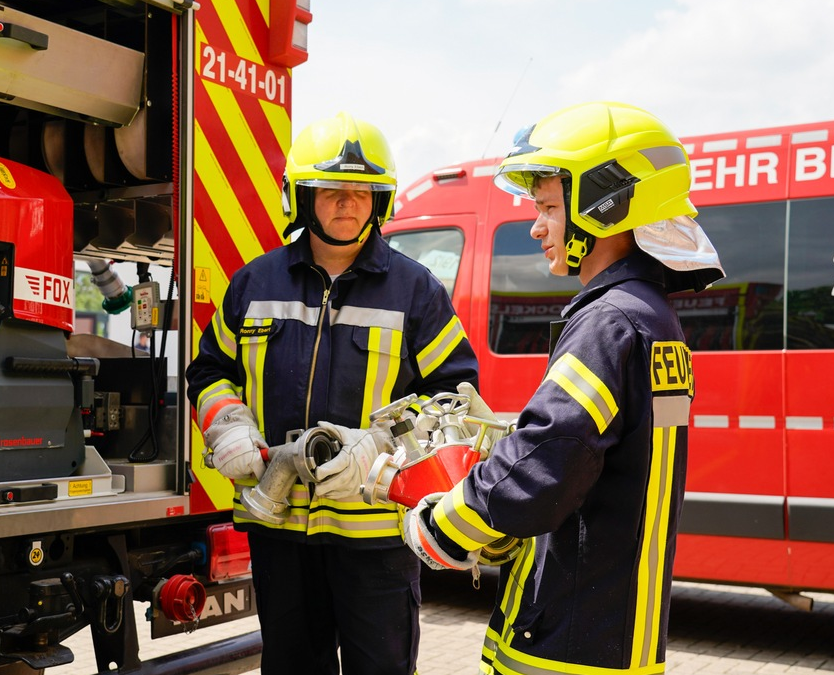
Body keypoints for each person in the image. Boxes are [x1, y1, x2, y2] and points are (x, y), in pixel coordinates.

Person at [402, 101, 725, 674]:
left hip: (570, 643)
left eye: (549, 206)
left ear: (603, 206)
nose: (536, 225)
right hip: (619, 633)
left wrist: (441, 526)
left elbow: (548, 457)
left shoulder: (609, 322)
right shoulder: (653, 318)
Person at [186, 112, 480, 675]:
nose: (348, 204)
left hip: (376, 539)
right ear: (302, 196)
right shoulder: (254, 283)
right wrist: (227, 423)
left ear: (381, 202)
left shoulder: (416, 290)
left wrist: (375, 448)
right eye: (331, 191)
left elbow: (455, 398)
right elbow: (209, 372)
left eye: (362, 192)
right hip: (279, 533)